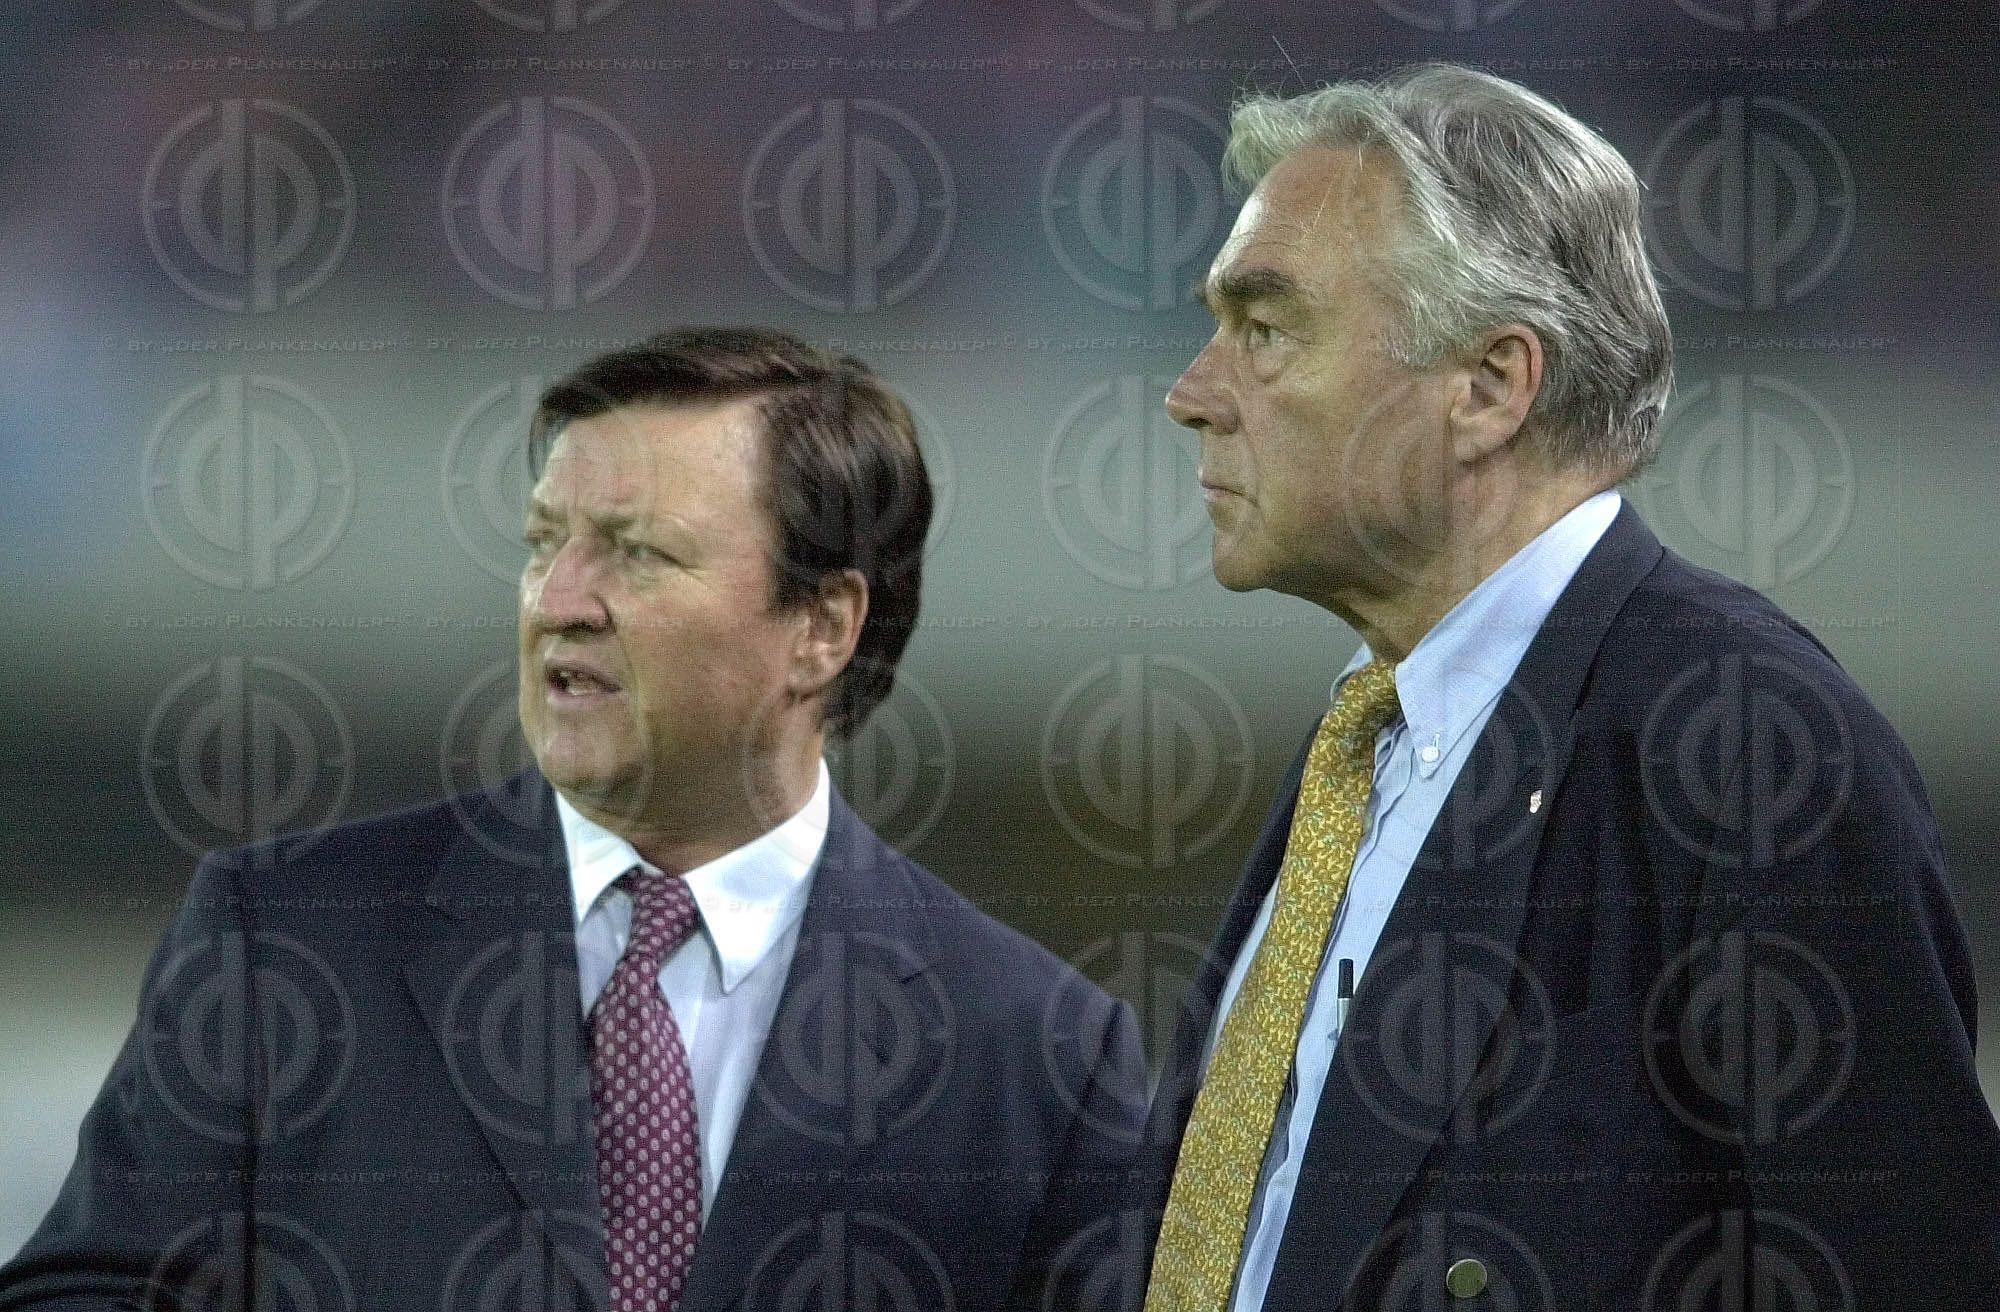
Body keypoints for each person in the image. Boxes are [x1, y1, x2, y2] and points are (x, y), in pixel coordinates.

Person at [0, 328, 1145, 1312]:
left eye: (637, 554)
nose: (556, 601)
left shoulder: (1037, 1057)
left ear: (820, 627)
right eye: (545, 542)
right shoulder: (286, 936)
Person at [1130, 64, 2000, 1311]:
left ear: (1488, 387)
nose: (1192, 394)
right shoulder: (1363, 746)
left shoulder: (1749, 747)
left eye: (1263, 330)